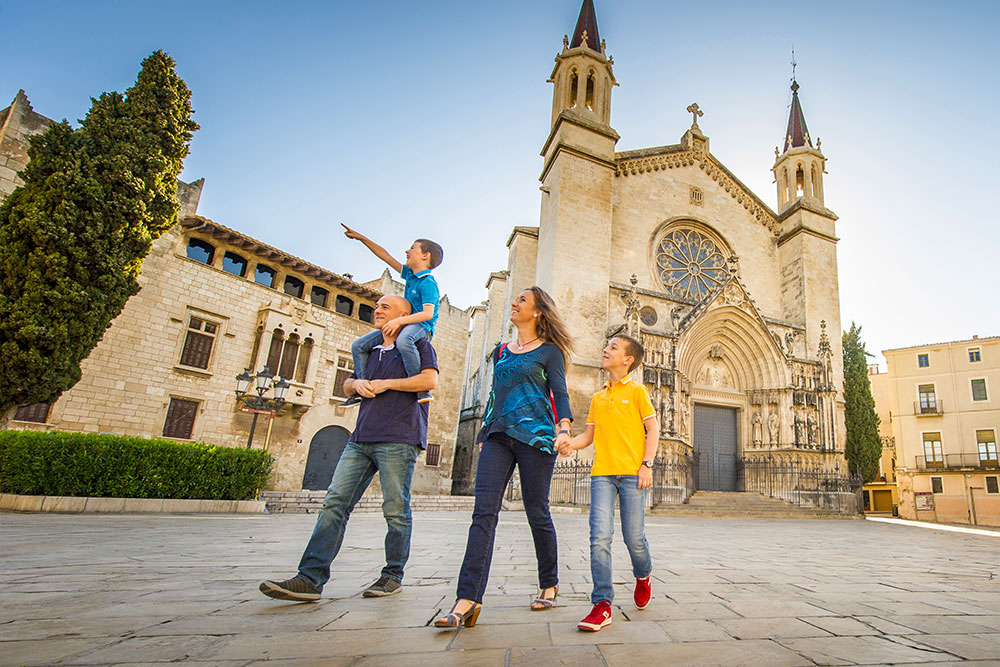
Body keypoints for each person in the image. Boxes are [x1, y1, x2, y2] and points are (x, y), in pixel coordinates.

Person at [259, 295, 438, 602]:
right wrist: (356, 386)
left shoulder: (418, 343)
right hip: (361, 437)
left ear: (404, 315)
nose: (377, 310)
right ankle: (310, 578)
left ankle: (392, 575)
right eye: (377, 306)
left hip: (399, 437)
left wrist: (385, 384)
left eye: (385, 307)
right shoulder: (368, 349)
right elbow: (348, 384)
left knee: (395, 510)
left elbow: (428, 380)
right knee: (334, 503)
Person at [434, 287, 573, 629]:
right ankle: (467, 599)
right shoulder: (501, 352)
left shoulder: (551, 352)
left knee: (537, 512)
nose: (515, 303)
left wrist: (565, 429)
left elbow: (560, 391)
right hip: (497, 435)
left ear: (538, 311)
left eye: (522, 300)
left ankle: (549, 583)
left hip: (536, 438)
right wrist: (484, 432)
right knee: (483, 513)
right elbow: (496, 395)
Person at [559, 334, 659, 632]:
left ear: (627, 360)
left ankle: (643, 575)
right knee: (599, 537)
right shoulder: (597, 397)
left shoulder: (638, 391)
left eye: (613, 348)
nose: (605, 349)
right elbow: (587, 436)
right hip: (602, 473)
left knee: (634, 539)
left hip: (631, 474)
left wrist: (647, 465)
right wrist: (569, 445)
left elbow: (652, 430)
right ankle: (602, 604)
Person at [340, 223, 442, 405]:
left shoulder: (428, 283)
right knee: (358, 345)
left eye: (412, 248)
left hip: (422, 326)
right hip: (406, 324)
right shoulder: (411, 275)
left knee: (404, 340)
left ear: (425, 256)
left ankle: (419, 388)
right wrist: (362, 238)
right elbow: (385, 256)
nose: (407, 251)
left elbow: (428, 314)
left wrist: (399, 321)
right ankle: (361, 387)